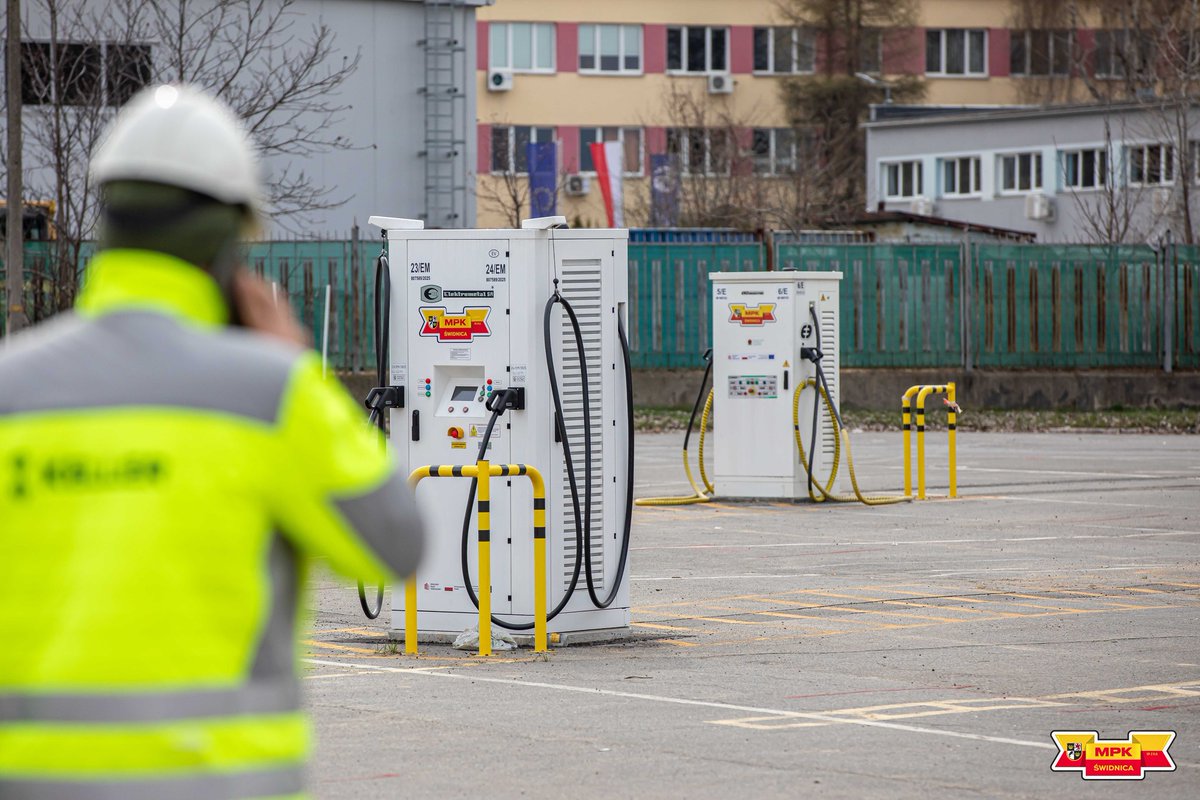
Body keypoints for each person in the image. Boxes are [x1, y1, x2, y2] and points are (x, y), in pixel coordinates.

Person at [0, 84, 425, 798]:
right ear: (230, 239)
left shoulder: (12, 392)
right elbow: (395, 545)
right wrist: (297, 369)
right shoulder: (271, 395)